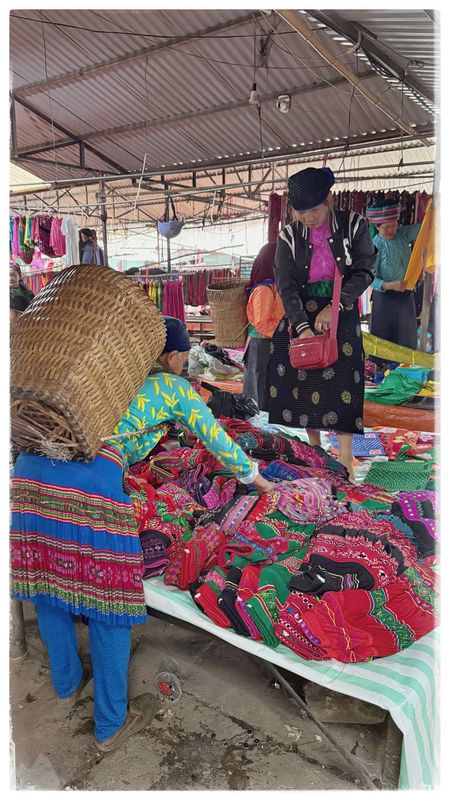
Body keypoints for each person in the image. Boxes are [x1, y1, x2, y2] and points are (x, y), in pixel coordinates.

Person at [10, 317, 272, 752]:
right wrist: (258, 481)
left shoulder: (100, 374)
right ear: (173, 355)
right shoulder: (171, 387)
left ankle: (66, 684)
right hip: (90, 482)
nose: (185, 365)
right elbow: (217, 440)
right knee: (109, 599)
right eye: (184, 358)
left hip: (29, 471)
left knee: (48, 579)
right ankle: (110, 725)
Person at [267, 167, 376, 480]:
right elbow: (285, 284)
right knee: (305, 380)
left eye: (314, 209)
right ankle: (315, 451)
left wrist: (335, 307)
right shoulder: (288, 236)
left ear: (329, 199)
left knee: (345, 381)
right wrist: (302, 327)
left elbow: (365, 270)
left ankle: (345, 459)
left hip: (342, 310)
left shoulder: (353, 225)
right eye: (300, 211)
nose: (307, 217)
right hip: (301, 312)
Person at [367, 200, 421, 350]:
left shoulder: (402, 235)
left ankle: (405, 364)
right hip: (384, 298)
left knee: (406, 337)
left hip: (405, 295)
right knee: (384, 340)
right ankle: (382, 365)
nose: (392, 230)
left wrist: (433, 210)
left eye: (394, 225)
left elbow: (422, 228)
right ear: (377, 227)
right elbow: (368, 277)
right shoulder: (375, 246)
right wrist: (388, 285)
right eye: (387, 227)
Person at [243, 242, 284, 410]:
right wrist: (283, 333)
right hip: (261, 345)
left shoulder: (273, 287)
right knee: (259, 389)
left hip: (268, 343)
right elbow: (262, 323)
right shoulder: (263, 290)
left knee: (266, 386)